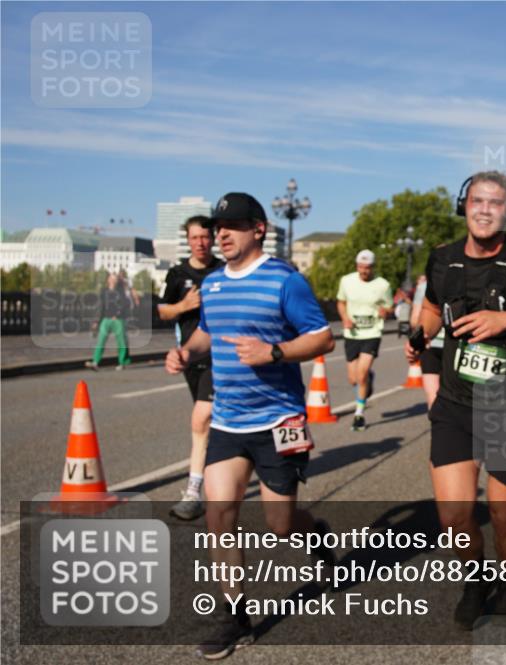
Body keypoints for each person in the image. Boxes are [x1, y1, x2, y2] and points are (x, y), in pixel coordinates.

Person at [164, 192, 335, 659]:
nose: (221, 233)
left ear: (258, 228)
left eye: (233, 225)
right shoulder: (214, 284)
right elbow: (206, 333)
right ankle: (235, 616)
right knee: (220, 516)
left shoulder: (285, 280)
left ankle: (313, 532)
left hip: (281, 419)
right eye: (218, 226)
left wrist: (274, 352)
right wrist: (186, 352)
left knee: (282, 525)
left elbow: (324, 338)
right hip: (229, 420)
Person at [405, 171, 506, 630]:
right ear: (464, 205)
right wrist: (421, 334)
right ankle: (475, 583)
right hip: (455, 403)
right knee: (454, 515)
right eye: (477, 200)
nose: (484, 209)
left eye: (495, 203)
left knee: (503, 512)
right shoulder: (442, 259)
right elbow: (433, 307)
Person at [158, 215, 224, 520]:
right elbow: (162, 312)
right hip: (189, 356)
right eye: (195, 238)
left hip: (220, 355)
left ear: (212, 239)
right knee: (208, 424)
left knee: (201, 418)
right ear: (188, 240)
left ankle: (193, 492)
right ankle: (222, 472)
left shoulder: (223, 271)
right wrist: (184, 306)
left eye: (205, 237)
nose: (201, 243)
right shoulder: (177, 274)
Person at [336, 250, 393, 431]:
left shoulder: (383, 285)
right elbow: (341, 302)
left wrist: (386, 311)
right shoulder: (346, 281)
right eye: (360, 267)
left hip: (372, 333)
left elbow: (389, 306)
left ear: (373, 267)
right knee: (353, 379)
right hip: (352, 334)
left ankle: (359, 414)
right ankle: (368, 379)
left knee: (361, 374)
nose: (363, 271)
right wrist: (344, 317)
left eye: (367, 268)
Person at [410, 273, 444, 408]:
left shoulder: (425, 286)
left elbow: (414, 320)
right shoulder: (471, 280)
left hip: (430, 343)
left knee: (433, 399)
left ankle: (438, 426)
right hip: (456, 345)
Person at [85, 273, 132, 371]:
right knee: (101, 341)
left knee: (121, 342)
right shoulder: (104, 291)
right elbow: (100, 307)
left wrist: (118, 315)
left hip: (118, 320)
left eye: (114, 279)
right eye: (111, 278)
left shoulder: (121, 291)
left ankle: (122, 362)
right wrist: (96, 321)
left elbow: (126, 304)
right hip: (106, 319)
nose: (112, 280)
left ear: (117, 281)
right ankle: (95, 362)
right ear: (108, 280)